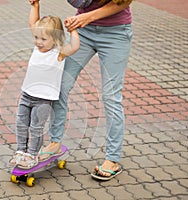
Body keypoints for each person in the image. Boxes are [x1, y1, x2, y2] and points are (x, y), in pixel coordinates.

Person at [39, 0, 133, 180]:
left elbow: (121, 2)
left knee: (111, 96)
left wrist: (86, 16)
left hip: (116, 33)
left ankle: (112, 159)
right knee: (60, 86)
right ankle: (55, 142)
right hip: (83, 32)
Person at [9, 0, 80, 169]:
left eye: (43, 39)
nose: (38, 42)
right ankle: (20, 151)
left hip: (43, 100)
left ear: (55, 39)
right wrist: (35, 6)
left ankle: (32, 155)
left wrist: (73, 30)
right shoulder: (37, 48)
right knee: (20, 123)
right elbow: (33, 23)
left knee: (36, 127)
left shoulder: (59, 52)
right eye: (36, 37)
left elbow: (75, 46)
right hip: (26, 95)